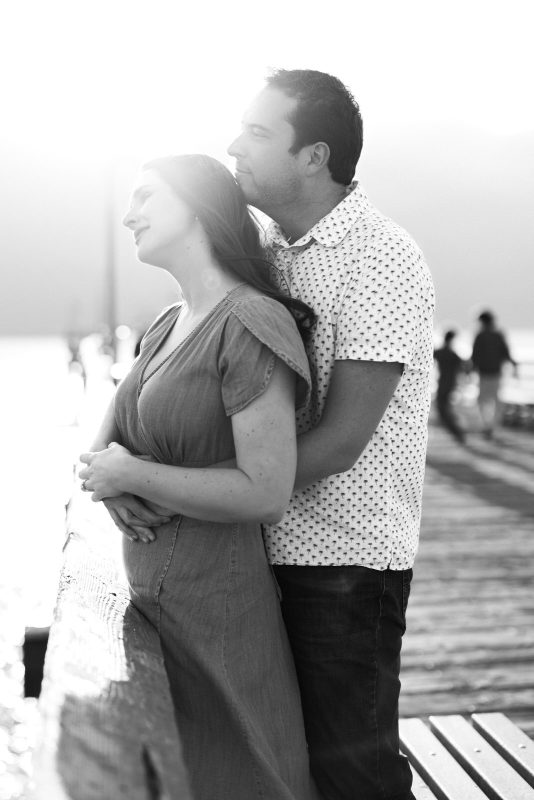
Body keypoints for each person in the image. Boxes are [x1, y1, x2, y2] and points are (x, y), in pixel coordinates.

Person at [78, 154, 319, 800]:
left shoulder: (248, 322)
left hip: (220, 621)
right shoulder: (163, 325)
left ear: (197, 206)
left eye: (146, 197)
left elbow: (265, 490)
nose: (130, 216)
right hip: (155, 617)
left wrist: (134, 473)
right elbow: (100, 451)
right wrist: (115, 484)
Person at [227, 69, 435, 800]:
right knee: (286, 765)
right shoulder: (267, 249)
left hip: (346, 563)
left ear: (313, 156)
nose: (234, 146)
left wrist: (215, 493)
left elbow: (344, 439)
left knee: (356, 775)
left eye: (257, 132)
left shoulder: (380, 256)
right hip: (267, 549)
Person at [471, 310, 518, 439]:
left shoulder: (482, 335)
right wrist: (514, 365)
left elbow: (475, 356)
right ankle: (490, 426)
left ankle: (488, 426)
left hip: (487, 373)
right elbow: (506, 353)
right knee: (494, 401)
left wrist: (470, 370)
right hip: (493, 373)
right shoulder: (497, 334)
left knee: (484, 401)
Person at [433, 329, 468, 443]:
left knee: (443, 411)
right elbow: (465, 368)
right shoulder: (453, 354)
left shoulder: (442, 352)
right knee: (444, 410)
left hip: (444, 385)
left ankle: (458, 432)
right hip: (450, 385)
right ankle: (458, 432)